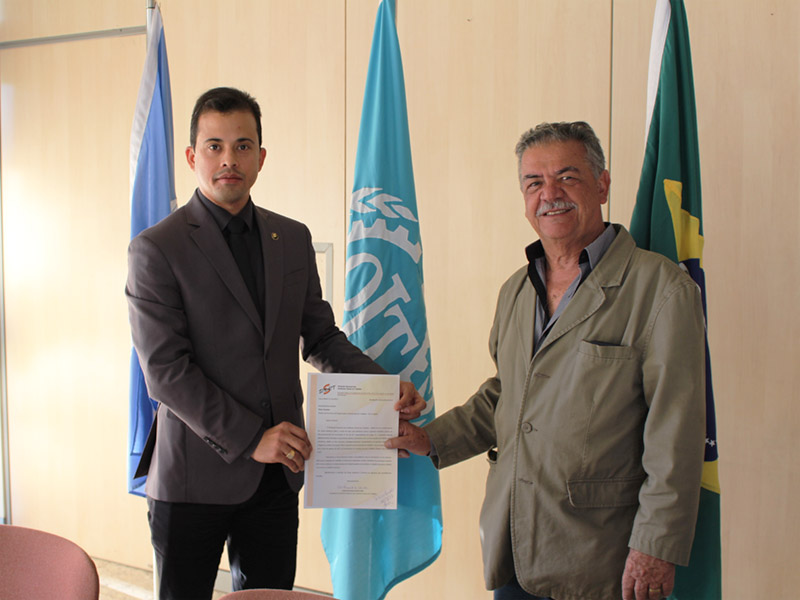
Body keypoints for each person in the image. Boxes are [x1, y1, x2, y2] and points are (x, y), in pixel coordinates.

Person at [126, 86, 424, 600]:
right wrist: (250, 438)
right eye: (215, 146)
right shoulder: (157, 248)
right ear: (192, 157)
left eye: (242, 146)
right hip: (193, 478)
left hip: (278, 475)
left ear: (260, 157)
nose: (229, 159)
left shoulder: (292, 238)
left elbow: (321, 337)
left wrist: (383, 387)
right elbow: (167, 373)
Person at [386, 122, 706, 600]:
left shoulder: (661, 289)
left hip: (605, 555)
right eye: (534, 182)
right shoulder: (516, 289)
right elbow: (507, 394)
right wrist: (432, 438)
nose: (549, 194)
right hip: (514, 544)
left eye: (567, 177)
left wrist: (655, 546)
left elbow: (676, 432)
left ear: (602, 185)